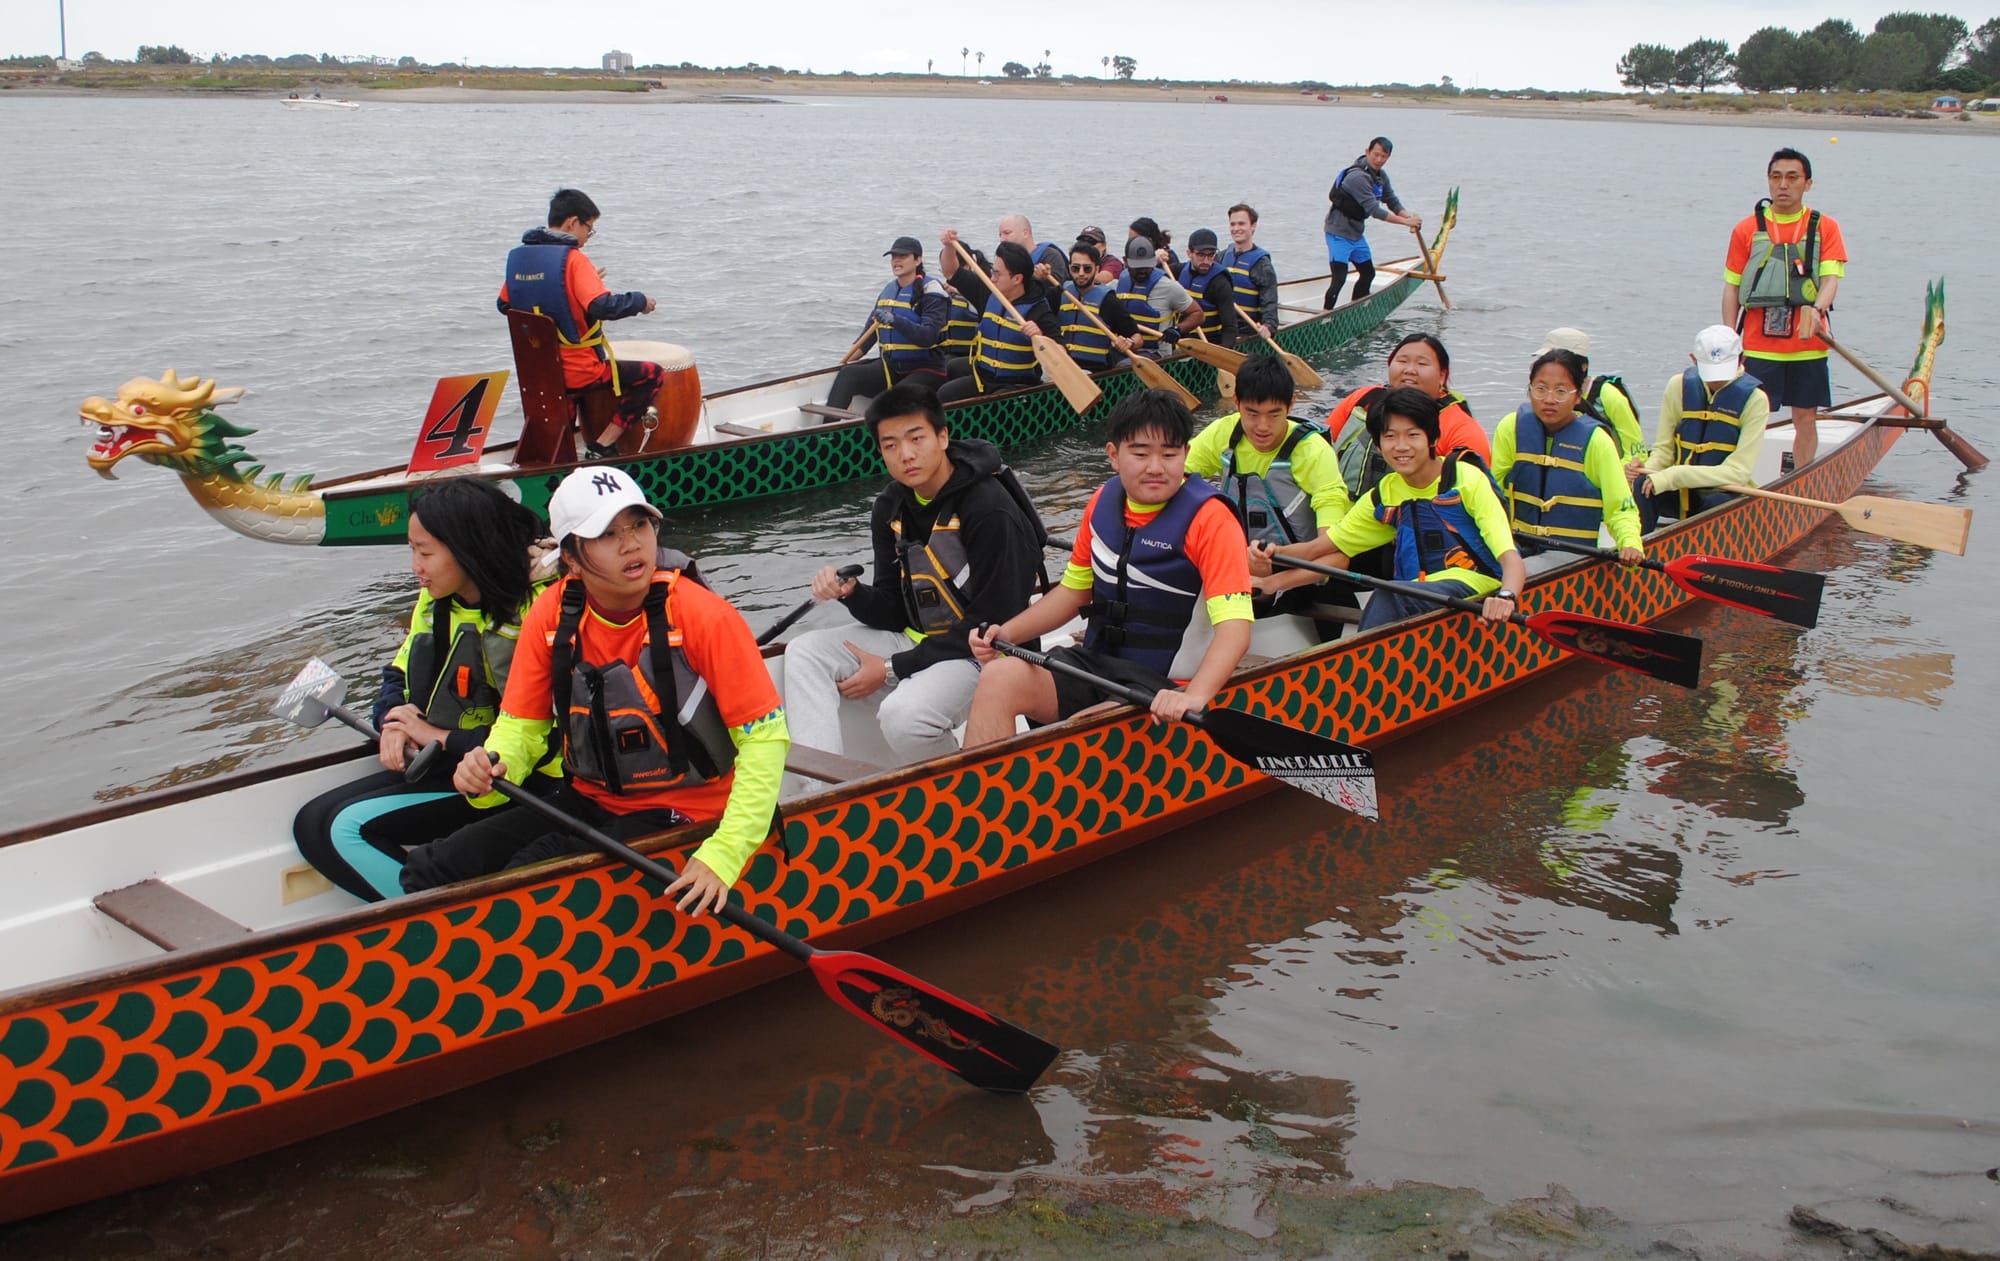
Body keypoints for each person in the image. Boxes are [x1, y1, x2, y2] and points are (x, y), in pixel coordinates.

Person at [400, 467, 789, 913]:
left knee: (525, 879)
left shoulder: (706, 617)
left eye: (639, 524)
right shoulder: (550, 616)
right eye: (606, 534)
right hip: (592, 797)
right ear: (570, 555)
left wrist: (724, 854)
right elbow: (520, 729)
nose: (631, 544)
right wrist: (491, 767)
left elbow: (765, 741)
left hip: (695, 810)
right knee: (430, 869)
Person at [292, 479, 553, 902]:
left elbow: (542, 731)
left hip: (511, 777)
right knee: (311, 821)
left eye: (425, 552)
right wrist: (393, 722)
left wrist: (437, 737)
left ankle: (436, 937)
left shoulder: (537, 609)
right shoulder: (436, 600)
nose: (416, 565)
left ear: (469, 548)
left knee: (344, 828)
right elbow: (399, 673)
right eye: (411, 549)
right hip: (447, 760)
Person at [965, 389, 1252, 742]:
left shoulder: (1211, 520)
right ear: (1114, 455)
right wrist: (1006, 634)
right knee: (998, 677)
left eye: (1169, 454)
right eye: (1141, 453)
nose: (1155, 467)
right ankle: (992, 795)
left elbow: (1235, 628)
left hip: (1164, 683)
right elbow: (1073, 593)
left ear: (1186, 455)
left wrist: (1194, 695)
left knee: (1079, 730)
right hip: (1097, 664)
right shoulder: (1103, 502)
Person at [782, 383, 1044, 761]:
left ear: (942, 436)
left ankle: (959, 789)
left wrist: (891, 669)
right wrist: (852, 593)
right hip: (921, 642)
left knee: (903, 716)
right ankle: (819, 793)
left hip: (988, 654)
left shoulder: (989, 508)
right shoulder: (890, 506)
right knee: (805, 652)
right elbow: (893, 609)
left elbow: (995, 619)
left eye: (916, 438)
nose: (906, 455)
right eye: (890, 445)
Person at [1262, 388, 1525, 633]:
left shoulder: (1466, 479)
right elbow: (1320, 548)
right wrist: (1273, 556)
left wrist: (1506, 596)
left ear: (1432, 438)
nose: (1400, 446)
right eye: (1390, 436)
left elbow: (1509, 556)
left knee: (1388, 595)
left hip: (1476, 587)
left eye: (1412, 435)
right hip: (1417, 594)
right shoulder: (1384, 494)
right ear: (1378, 445)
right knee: (1346, 589)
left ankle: (1360, 671)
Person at [1186, 356, 1356, 636]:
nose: (1262, 426)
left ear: (1291, 405)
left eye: (1274, 414)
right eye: (1251, 413)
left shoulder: (1313, 453)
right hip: (1240, 561)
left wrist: (1272, 584)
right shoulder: (1226, 433)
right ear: (1237, 402)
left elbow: (1337, 559)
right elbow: (1171, 478)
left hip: (1303, 574)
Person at [498, 188, 661, 459]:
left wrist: (563, 294)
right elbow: (602, 306)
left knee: (568, 399)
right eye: (589, 228)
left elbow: (506, 304)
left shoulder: (519, 259)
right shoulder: (574, 260)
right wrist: (641, 301)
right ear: (573, 222)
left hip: (542, 371)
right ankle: (602, 445)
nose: (587, 238)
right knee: (651, 374)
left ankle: (559, 460)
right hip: (580, 371)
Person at [1722, 147, 1846, 468]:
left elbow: (1831, 280)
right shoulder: (1746, 229)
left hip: (1808, 345)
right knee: (1751, 417)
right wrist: (1728, 339)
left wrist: (1816, 309)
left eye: (1792, 177)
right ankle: (1739, 481)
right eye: (1776, 177)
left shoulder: (1825, 227)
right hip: (1759, 347)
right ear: (1768, 181)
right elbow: (1732, 287)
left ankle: (1802, 480)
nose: (1783, 185)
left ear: (1807, 184)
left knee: (1805, 417)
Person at [1489, 349, 1644, 572]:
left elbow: (1620, 507)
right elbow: (1492, 495)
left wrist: (1630, 543)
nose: (1549, 399)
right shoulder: (1510, 428)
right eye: (1540, 389)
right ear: (1530, 390)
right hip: (1517, 544)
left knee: (1517, 572)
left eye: (1561, 391)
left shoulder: (1597, 441)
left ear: (1577, 396)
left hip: (1571, 553)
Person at [1326, 333, 1490, 507]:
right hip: (1342, 510)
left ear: (1442, 376)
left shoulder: (1461, 429)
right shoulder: (1362, 399)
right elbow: (1323, 449)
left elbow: (1475, 498)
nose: (1410, 370)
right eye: (1402, 361)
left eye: (1422, 363)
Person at [1630, 325, 1770, 528]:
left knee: (1717, 504)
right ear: (1693, 360)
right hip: (1681, 491)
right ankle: (1639, 547)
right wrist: (1647, 470)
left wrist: (1676, 475)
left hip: (1721, 491)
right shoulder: (1677, 386)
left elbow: (1739, 472)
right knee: (1643, 484)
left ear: (1742, 358)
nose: (1717, 380)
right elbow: (1664, 450)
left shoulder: (1756, 400)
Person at [825, 236, 951, 410]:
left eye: (903, 256)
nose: (896, 260)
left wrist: (896, 321)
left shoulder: (931, 290)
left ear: (918, 260)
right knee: (848, 375)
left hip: (926, 370)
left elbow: (927, 337)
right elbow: (868, 337)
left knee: (892, 400)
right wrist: (842, 363)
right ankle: (827, 434)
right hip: (890, 367)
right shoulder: (888, 291)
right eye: (893, 256)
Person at [934, 239, 1060, 403]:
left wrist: (1040, 335)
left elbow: (1061, 354)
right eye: (993, 272)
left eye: (997, 274)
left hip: (1017, 385)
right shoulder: (988, 292)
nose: (992, 278)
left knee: (993, 405)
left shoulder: (1038, 309)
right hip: (984, 379)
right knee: (944, 394)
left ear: (1017, 279)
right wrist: (949, 246)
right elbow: (951, 271)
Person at [1323, 137, 1422, 311]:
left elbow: (1391, 200)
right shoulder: (1357, 178)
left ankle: (1357, 310)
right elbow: (1375, 211)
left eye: (1384, 157)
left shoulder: (1380, 176)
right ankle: (1325, 315)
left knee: (1368, 273)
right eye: (1376, 155)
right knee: (1339, 278)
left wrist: (1408, 217)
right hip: (1337, 233)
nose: (1379, 160)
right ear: (1367, 152)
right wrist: (1406, 222)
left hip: (1356, 234)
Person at [1535, 327, 1645, 460]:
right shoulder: (1543, 397)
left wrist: (1617, 473)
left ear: (1583, 366)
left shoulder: (1608, 396)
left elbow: (1637, 453)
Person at [1049, 241, 1142, 370]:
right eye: (1076, 268)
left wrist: (1129, 343)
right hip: (1062, 366)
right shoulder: (1057, 294)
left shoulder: (1108, 301)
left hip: (1094, 370)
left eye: (1087, 268)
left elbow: (1137, 337)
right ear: (1069, 268)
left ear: (1097, 269)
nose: (1081, 273)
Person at [1114, 237, 1194, 355]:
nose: (1142, 271)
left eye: (1146, 266)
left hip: (1157, 355)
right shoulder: (1119, 282)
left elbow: (1197, 314)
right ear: (1125, 261)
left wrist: (1177, 329)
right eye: (1137, 267)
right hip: (1125, 350)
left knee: (1123, 366)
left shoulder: (1169, 286)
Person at [1219, 204, 1279, 340]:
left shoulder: (1262, 264)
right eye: (1232, 224)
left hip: (1246, 331)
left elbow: (1270, 303)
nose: (1236, 229)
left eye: (1241, 224)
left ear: (1253, 226)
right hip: (1221, 327)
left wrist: (1268, 327)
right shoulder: (1222, 256)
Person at [1175, 228, 1241, 345]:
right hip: (1180, 341)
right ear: (1189, 253)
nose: (1206, 261)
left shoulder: (1220, 282)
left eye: (1211, 255)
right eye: (1201, 255)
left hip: (1209, 343)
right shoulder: (1177, 271)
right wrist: (1157, 258)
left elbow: (1230, 327)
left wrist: (1223, 354)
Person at [998, 213, 1071, 277]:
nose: (1002, 239)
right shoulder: (1002, 262)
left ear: (1025, 233)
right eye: (1000, 235)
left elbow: (1056, 287)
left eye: (1007, 233)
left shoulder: (1051, 256)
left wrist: (1038, 278)